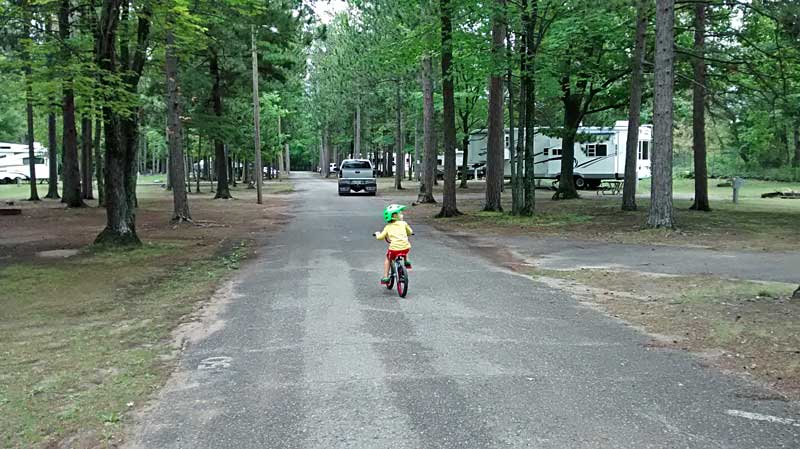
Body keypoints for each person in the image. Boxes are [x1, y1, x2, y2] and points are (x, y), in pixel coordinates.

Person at [373, 204, 413, 285]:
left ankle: (385, 277)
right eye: (400, 213)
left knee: (388, 258)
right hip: (405, 248)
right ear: (395, 215)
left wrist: (377, 234)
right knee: (405, 247)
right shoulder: (404, 224)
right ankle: (406, 261)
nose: (402, 215)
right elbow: (410, 232)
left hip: (394, 249)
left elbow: (380, 237)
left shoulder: (387, 227)